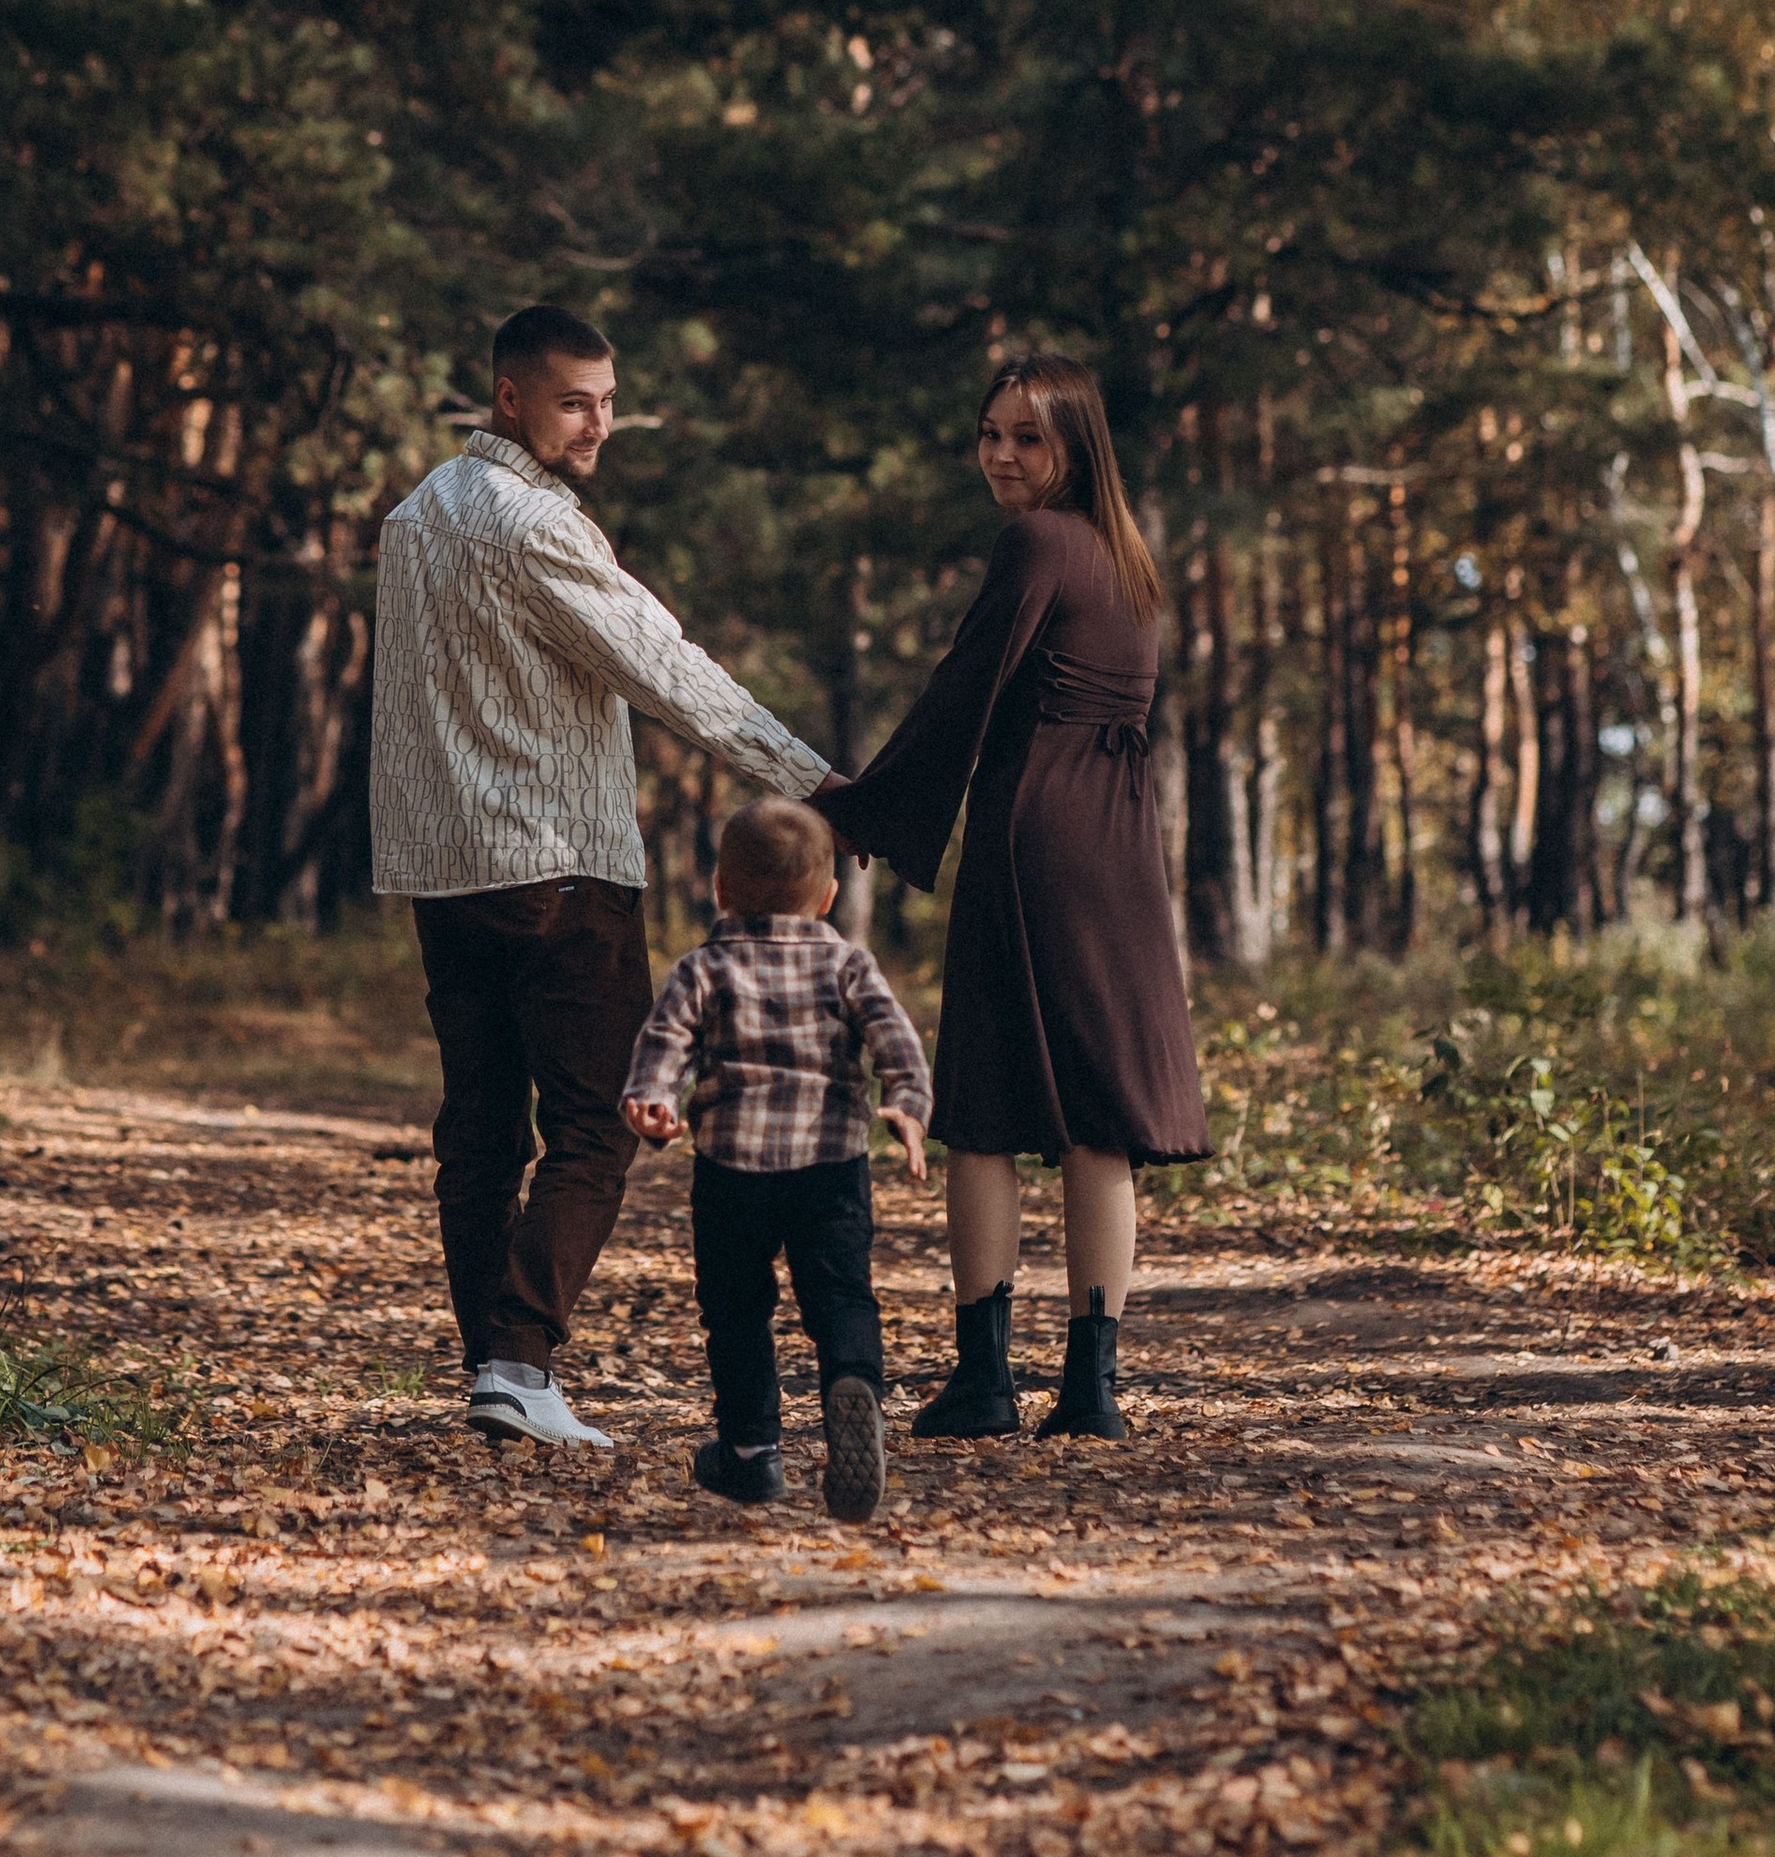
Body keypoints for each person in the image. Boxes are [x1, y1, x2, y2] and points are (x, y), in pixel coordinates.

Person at [372, 303, 832, 1453]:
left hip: (444, 870)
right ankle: (518, 1362)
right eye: (574, 403)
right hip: (556, 868)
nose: (598, 426)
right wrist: (814, 785)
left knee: (481, 1133)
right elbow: (666, 670)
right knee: (596, 1124)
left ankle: (494, 1368)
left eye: (608, 403)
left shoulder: (414, 514)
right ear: (510, 398)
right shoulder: (536, 526)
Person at [813, 354, 1205, 1444]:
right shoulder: (1127, 559)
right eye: (989, 434)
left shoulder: (1037, 543)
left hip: (1035, 833)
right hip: (1118, 846)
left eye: (1027, 438)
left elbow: (965, 689)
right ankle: (1091, 1390)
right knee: (1096, 1117)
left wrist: (866, 807)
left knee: (982, 1107)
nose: (1000, 456)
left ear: (1077, 445)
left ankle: (985, 1382)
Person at [622, 796, 932, 1522]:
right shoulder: (847, 963)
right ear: (827, 897)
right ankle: (853, 1385)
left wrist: (653, 1104)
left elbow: (665, 1048)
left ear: (719, 889)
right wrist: (907, 1107)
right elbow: (895, 1041)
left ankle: (752, 1452)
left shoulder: (703, 967)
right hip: (831, 1163)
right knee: (841, 1294)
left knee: (735, 1308)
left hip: (732, 1168)